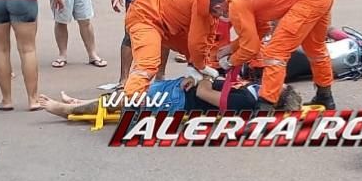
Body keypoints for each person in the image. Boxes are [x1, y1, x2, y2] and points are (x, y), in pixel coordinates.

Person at [221, 0, 335, 111]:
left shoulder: (234, 1)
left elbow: (250, 47)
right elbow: (260, 32)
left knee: (275, 53)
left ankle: (265, 106)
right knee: (316, 48)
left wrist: (230, 62)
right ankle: (325, 96)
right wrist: (231, 48)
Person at [122, 0, 226, 97]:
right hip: (144, 17)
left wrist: (199, 66)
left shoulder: (208, 1)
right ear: (218, 8)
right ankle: (130, 98)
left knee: (196, 54)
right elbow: (197, 44)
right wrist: (202, 66)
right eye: (226, 12)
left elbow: (206, 39)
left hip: (164, 19)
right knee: (147, 65)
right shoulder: (202, 6)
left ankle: (195, 74)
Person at [37, 75, 303, 119]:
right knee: (126, 92)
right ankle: (80, 104)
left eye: (278, 86)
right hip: (179, 89)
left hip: (179, 101)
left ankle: (66, 110)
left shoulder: (245, 101)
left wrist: (203, 76)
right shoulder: (253, 88)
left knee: (126, 100)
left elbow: (204, 92)